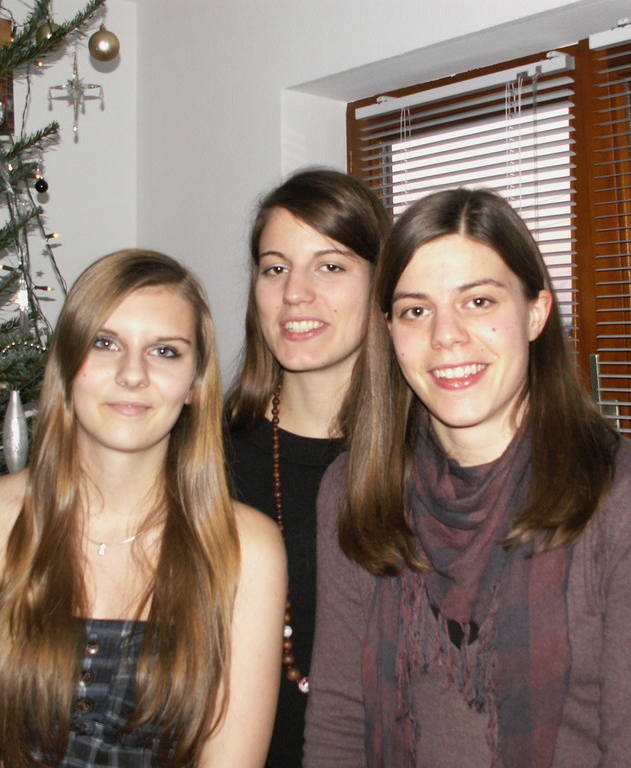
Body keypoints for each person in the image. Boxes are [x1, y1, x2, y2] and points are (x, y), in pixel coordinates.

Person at [304, 189, 631, 768]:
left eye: (479, 301)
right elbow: (338, 721)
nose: (446, 335)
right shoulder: (354, 489)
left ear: (535, 313)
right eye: (416, 310)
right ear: (389, 330)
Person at [0, 250, 286, 768]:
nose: (132, 374)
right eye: (105, 343)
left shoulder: (246, 549)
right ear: (67, 364)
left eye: (165, 351)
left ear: (195, 383)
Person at [225, 168, 390, 767]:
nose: (295, 292)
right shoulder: (203, 459)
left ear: (381, 285)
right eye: (275, 268)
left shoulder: (426, 460)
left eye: (331, 266)